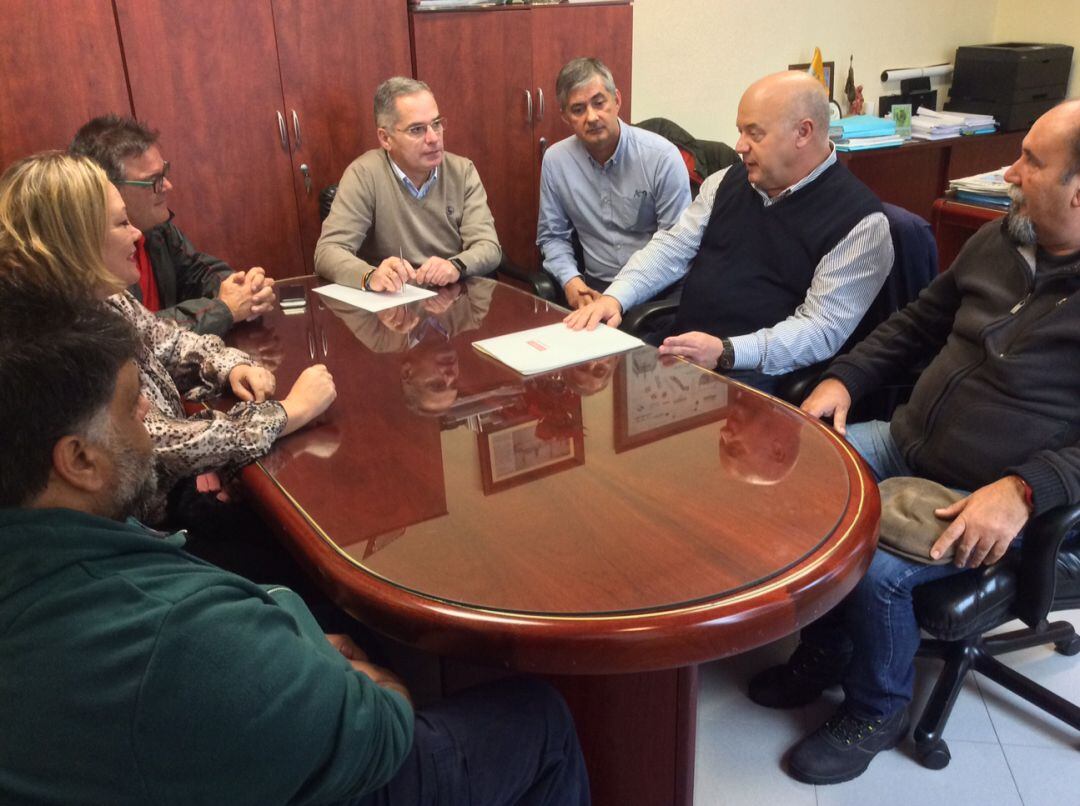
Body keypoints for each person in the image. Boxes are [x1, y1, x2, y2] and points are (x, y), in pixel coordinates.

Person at [0, 276, 590, 805]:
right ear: (78, 460)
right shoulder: (168, 636)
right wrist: (347, 668)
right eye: (134, 404)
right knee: (540, 721)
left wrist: (287, 644)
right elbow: (381, 729)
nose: (153, 412)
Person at [750, 99, 1080, 784]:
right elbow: (914, 326)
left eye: (1032, 162)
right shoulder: (1003, 238)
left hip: (996, 489)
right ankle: (830, 648)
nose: (1010, 172)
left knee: (872, 564)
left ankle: (879, 708)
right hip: (908, 441)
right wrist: (843, 380)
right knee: (802, 476)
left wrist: (1025, 490)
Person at [0, 151, 334, 564]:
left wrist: (232, 366)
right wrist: (288, 412)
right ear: (76, 239)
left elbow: (170, 342)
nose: (138, 235)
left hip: (170, 499)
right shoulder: (58, 344)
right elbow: (153, 443)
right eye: (122, 223)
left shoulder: (105, 297)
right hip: (138, 539)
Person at [566, 71, 893, 393]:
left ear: (803, 133)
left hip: (759, 376)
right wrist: (616, 297)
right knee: (585, 385)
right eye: (741, 132)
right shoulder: (727, 181)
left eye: (755, 134)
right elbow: (671, 248)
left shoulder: (860, 223)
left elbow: (820, 331)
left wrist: (727, 351)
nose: (739, 146)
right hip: (686, 352)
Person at [71, 115, 276, 336]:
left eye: (164, 173)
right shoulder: (89, 261)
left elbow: (199, 271)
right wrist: (224, 309)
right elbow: (137, 333)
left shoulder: (158, 229)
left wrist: (247, 289)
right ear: (107, 188)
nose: (168, 185)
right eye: (154, 180)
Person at [315, 77, 501, 293]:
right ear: (386, 139)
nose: (433, 138)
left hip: (452, 298)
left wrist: (455, 265)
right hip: (392, 304)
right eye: (417, 130)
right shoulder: (364, 175)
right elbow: (328, 251)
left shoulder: (462, 171)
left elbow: (489, 246)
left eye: (437, 124)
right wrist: (369, 275)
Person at [536, 57, 690, 309]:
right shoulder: (556, 160)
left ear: (617, 100)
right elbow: (552, 236)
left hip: (658, 294)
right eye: (578, 109)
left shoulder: (661, 156)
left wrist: (618, 297)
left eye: (599, 103)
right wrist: (571, 281)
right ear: (565, 116)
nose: (592, 117)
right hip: (593, 290)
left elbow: (675, 247)